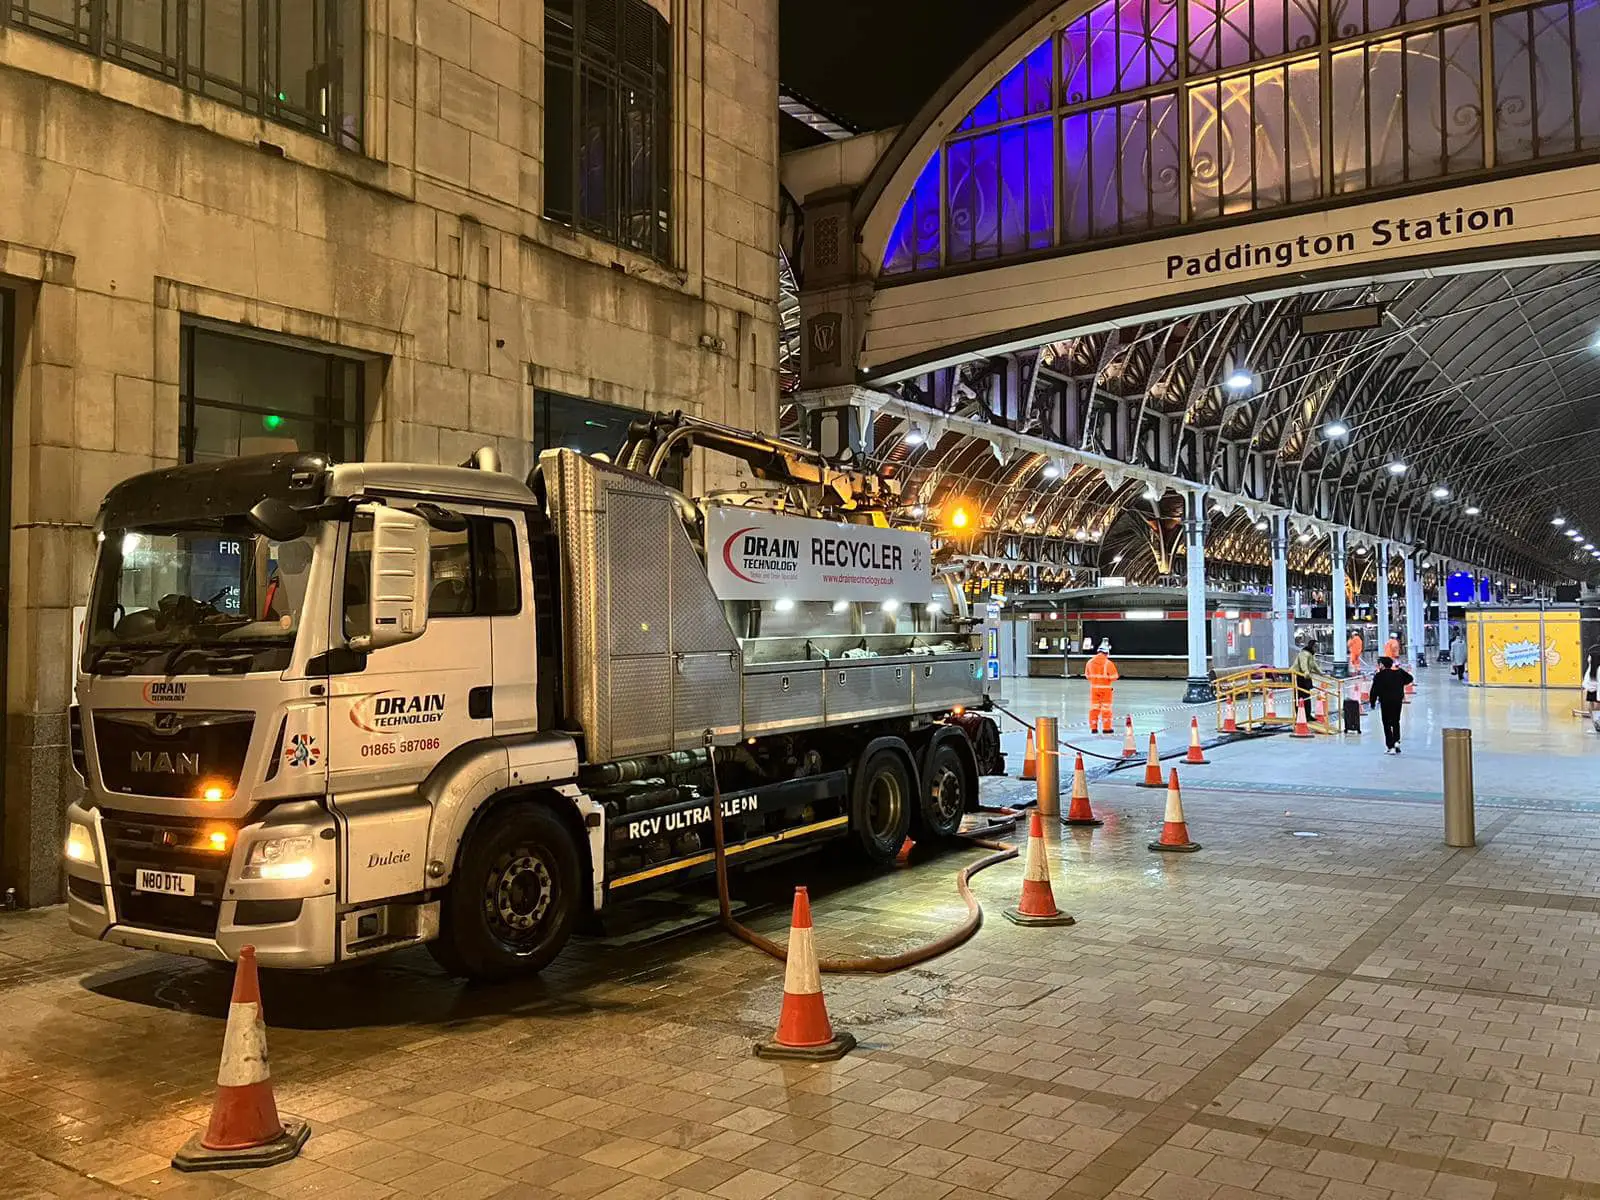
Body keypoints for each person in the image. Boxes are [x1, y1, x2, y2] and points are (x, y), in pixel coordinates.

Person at [1369, 655, 1414, 753]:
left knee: (1386, 724)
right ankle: (1397, 741)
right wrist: (1401, 683)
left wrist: (1372, 702)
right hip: (1397, 700)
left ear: (1382, 665)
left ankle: (1391, 746)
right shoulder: (1399, 672)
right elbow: (1410, 678)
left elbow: (1374, 690)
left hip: (1385, 701)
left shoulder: (1379, 676)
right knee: (1396, 721)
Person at [1085, 639, 1119, 734]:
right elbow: (1114, 677)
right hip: (1106, 690)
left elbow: (1087, 676)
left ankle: (1093, 728)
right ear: (1106, 652)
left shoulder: (1089, 662)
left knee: (1094, 709)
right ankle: (1106, 728)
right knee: (1106, 710)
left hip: (1094, 689)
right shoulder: (1108, 663)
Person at [1291, 639, 1319, 725]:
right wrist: (1306, 672)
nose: (1317, 648)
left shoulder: (1311, 654)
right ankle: (1301, 715)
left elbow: (1314, 665)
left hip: (1305, 676)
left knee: (1307, 695)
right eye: (1316, 647)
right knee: (1300, 696)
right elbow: (1303, 665)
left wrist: (1321, 673)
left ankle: (1308, 714)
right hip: (1299, 675)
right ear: (1312, 646)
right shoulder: (1304, 653)